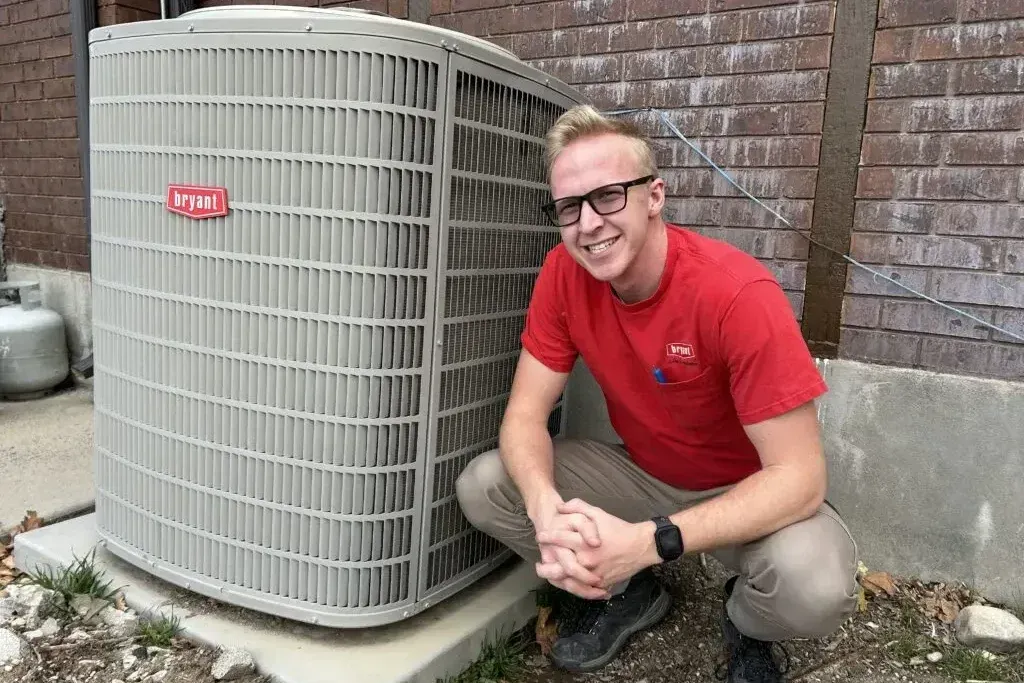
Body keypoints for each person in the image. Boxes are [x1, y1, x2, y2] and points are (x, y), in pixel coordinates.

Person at [454, 104, 859, 682]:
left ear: (654, 196)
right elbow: (524, 416)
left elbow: (799, 478)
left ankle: (745, 621)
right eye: (569, 207)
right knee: (488, 486)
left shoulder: (738, 294)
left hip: (747, 492)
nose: (588, 223)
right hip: (643, 477)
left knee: (811, 587)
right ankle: (627, 590)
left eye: (609, 196)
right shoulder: (563, 275)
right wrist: (546, 509)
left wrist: (651, 540)